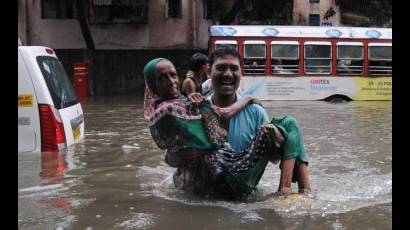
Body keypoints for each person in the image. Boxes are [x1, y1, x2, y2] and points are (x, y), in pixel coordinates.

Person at [143, 58, 283, 200]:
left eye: (173, 75)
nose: (171, 81)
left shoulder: (161, 111)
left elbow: (171, 157)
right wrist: (247, 99)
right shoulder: (171, 109)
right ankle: (290, 189)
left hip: (193, 183)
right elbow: (223, 114)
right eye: (162, 78)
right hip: (215, 177)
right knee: (281, 127)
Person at [207, 46, 312, 196]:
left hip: (243, 188)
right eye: (221, 68)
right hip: (211, 190)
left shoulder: (256, 112)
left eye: (234, 69)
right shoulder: (197, 110)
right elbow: (175, 159)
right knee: (291, 124)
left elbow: (274, 157)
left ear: (241, 73)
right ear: (208, 70)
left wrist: (276, 137)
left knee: (290, 125)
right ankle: (300, 190)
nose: (228, 74)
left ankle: (293, 190)